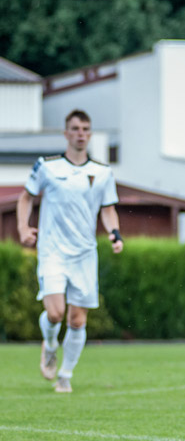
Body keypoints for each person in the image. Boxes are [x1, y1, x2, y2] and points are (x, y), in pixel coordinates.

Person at [16, 109, 124, 394]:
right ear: (66, 133)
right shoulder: (47, 167)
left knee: (77, 319)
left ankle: (65, 375)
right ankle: (50, 345)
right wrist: (23, 228)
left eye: (85, 129)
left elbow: (108, 210)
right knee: (55, 313)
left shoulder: (102, 173)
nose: (80, 134)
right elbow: (25, 198)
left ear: (89, 134)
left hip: (84, 254)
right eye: (75, 128)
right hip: (52, 252)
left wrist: (115, 234)